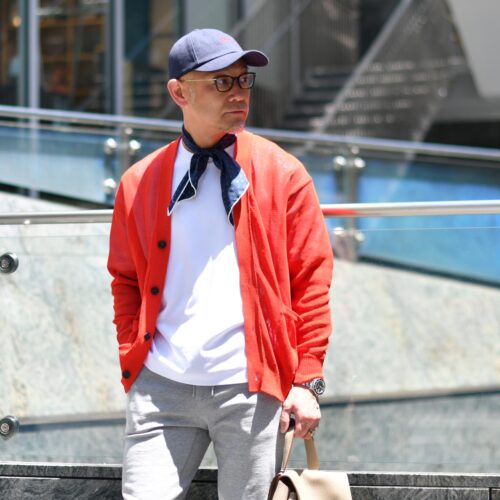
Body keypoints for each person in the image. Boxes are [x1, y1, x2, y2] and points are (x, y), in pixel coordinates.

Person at [107, 28, 333, 500]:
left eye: (244, 80)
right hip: (161, 387)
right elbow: (125, 278)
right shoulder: (139, 181)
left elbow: (310, 281)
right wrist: (134, 353)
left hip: (252, 389)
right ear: (179, 93)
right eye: (221, 82)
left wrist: (307, 381)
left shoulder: (283, 174)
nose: (239, 93)